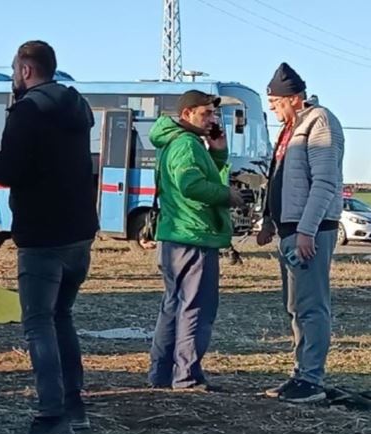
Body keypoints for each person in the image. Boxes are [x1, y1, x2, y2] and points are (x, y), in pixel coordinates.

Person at [0, 41, 99, 434]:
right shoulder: (78, 107)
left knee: (39, 323)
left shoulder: (27, 111)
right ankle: (74, 407)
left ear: (26, 70)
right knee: (62, 317)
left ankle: (50, 419)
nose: (13, 77)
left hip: (42, 235)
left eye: (14, 70)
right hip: (79, 233)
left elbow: (9, 170)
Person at [146, 90, 246, 392]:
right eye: (206, 113)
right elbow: (191, 185)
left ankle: (162, 374)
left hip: (175, 235)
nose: (212, 119)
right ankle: (186, 376)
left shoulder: (176, 142)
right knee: (196, 307)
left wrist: (217, 153)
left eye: (213, 114)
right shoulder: (187, 145)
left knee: (174, 306)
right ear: (187, 113)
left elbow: (196, 177)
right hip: (194, 235)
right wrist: (227, 195)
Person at [257, 63, 344, 403]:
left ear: (294, 98)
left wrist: (307, 230)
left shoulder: (319, 122)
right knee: (295, 305)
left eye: (276, 103)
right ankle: (300, 373)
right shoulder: (290, 129)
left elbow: (324, 182)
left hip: (311, 231)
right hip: (290, 230)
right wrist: (268, 219)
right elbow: (277, 175)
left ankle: (311, 378)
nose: (274, 110)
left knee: (311, 305)